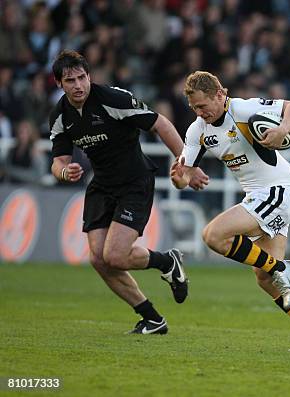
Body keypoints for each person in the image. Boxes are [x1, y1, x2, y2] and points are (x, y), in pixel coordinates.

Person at [169, 71, 290, 352]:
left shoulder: (244, 109)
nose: (200, 113)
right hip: (260, 196)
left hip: (275, 191)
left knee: (213, 235)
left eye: (203, 106)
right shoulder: (197, 130)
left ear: (220, 95)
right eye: (194, 108)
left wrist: (283, 129)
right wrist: (178, 178)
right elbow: (184, 175)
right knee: (265, 278)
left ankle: (282, 268)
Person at [49, 50, 197, 335]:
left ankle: (167, 261)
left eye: (82, 77)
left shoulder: (112, 99)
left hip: (134, 182)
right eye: (70, 80)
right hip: (101, 185)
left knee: (115, 256)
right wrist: (65, 172)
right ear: (59, 84)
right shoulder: (60, 115)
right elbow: (58, 162)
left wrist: (185, 165)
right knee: (98, 259)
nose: (78, 85)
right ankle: (152, 319)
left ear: (90, 76)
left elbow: (161, 123)